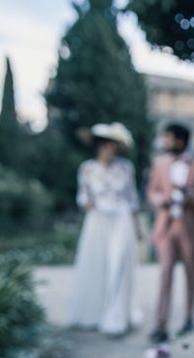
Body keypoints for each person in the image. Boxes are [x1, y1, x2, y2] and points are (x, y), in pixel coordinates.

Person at [69, 122, 141, 335]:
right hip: (97, 220)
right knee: (96, 265)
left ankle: (116, 317)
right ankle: (94, 313)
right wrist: (87, 203)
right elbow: (82, 195)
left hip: (121, 218)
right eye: (107, 144)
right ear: (99, 146)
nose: (110, 148)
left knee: (118, 265)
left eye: (114, 144)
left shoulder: (126, 168)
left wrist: (137, 227)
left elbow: (132, 197)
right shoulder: (87, 168)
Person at [147, 123, 194, 343]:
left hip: (190, 227)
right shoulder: (159, 164)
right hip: (166, 227)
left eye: (168, 138)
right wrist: (160, 200)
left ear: (181, 140)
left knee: (190, 274)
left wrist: (191, 197)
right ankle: (161, 324)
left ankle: (188, 318)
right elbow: (152, 192)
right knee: (165, 274)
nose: (164, 142)